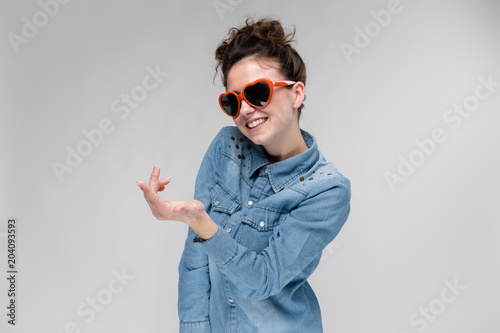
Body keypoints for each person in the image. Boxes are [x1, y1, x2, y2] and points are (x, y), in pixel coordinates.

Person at [137, 18, 351, 333]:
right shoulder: (227, 147)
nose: (245, 110)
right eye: (233, 100)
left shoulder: (328, 190)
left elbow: (263, 279)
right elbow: (196, 261)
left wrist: (201, 223)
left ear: (296, 94)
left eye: (258, 92)